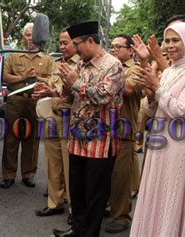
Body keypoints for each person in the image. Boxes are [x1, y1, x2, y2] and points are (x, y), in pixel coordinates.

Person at [130, 22, 185, 236]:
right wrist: (151, 94)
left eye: (176, 40)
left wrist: (157, 88)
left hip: (183, 142)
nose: (169, 46)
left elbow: (182, 110)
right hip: (161, 138)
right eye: (167, 40)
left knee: (174, 193)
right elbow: (154, 111)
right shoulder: (171, 69)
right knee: (157, 191)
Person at [52, 21, 125, 237]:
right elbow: (68, 97)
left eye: (77, 44)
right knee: (78, 190)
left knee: (95, 193)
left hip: (100, 141)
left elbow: (102, 96)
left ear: (90, 41)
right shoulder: (81, 64)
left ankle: (89, 233)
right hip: (77, 138)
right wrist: (65, 84)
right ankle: (78, 229)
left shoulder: (113, 65)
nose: (75, 49)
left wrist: (74, 82)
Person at [32, 30, 80, 222]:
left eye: (65, 43)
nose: (62, 46)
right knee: (53, 163)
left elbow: (79, 92)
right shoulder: (58, 63)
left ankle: (74, 209)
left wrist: (52, 91)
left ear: (75, 44)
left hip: (70, 117)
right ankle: (54, 203)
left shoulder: (81, 64)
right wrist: (44, 91)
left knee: (70, 166)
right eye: (60, 43)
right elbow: (52, 87)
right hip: (53, 116)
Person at [0, 23, 54, 189]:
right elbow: (5, 77)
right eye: (27, 35)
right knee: (11, 138)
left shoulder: (47, 59)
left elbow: (52, 80)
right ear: (23, 37)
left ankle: (28, 175)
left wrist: (38, 78)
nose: (30, 38)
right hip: (15, 100)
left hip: (34, 102)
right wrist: (23, 76)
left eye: (33, 35)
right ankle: (8, 175)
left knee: (32, 139)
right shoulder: (14, 56)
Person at [104, 34, 145, 233]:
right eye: (111, 47)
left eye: (118, 47)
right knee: (105, 174)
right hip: (102, 129)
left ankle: (121, 217)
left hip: (124, 130)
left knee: (121, 178)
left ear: (130, 50)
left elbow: (128, 89)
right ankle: (109, 207)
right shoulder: (108, 66)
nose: (113, 50)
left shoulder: (135, 68)